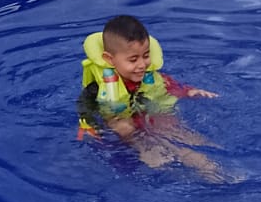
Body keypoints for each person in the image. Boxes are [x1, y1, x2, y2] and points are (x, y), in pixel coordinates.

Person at [76, 13, 228, 178]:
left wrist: (189, 91)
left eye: (146, 56)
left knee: (174, 129)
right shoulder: (98, 87)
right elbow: (85, 105)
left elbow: (169, 86)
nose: (142, 65)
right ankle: (145, 149)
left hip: (149, 114)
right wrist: (88, 125)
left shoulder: (150, 76)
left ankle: (211, 168)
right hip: (124, 121)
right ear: (109, 59)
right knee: (124, 127)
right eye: (133, 60)